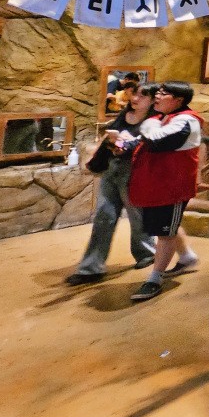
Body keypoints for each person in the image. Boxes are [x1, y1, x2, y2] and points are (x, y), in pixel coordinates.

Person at [65, 83, 157, 285]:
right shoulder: (125, 115)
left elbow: (146, 145)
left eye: (143, 95)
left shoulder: (154, 121)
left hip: (135, 172)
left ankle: (147, 252)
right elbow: (111, 135)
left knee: (137, 216)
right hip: (112, 169)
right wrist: (111, 143)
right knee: (104, 215)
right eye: (135, 94)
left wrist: (127, 144)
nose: (135, 98)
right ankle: (90, 268)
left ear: (151, 100)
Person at [119, 81, 203, 302]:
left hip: (172, 187)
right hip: (156, 186)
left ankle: (154, 279)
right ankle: (187, 257)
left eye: (164, 93)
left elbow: (156, 142)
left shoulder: (187, 121)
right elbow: (143, 141)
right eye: (158, 92)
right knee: (166, 227)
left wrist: (146, 129)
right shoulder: (162, 119)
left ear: (179, 100)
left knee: (165, 232)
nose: (157, 96)